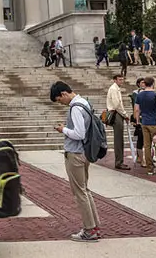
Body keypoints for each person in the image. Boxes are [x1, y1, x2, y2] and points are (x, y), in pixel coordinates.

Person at [50, 81, 102, 242]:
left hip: (75, 153)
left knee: (80, 192)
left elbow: (79, 133)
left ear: (64, 94)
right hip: (84, 151)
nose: (61, 103)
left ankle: (89, 230)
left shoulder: (75, 107)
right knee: (85, 190)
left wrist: (63, 130)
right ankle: (94, 226)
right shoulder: (84, 102)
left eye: (59, 100)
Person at [135, 76, 156, 175]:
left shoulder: (140, 95)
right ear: (153, 83)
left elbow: (137, 109)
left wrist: (137, 120)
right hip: (154, 122)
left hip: (144, 122)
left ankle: (149, 168)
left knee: (147, 146)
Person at [107, 74, 130, 170]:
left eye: (122, 79)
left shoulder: (116, 88)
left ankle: (120, 161)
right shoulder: (113, 89)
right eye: (120, 79)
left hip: (117, 113)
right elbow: (117, 104)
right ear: (115, 80)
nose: (122, 81)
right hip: (116, 114)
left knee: (119, 138)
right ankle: (118, 162)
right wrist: (125, 114)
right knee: (118, 139)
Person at [129, 78, 146, 166]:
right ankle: (141, 158)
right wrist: (136, 119)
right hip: (140, 118)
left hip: (147, 118)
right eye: (142, 82)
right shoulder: (136, 93)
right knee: (140, 138)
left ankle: (144, 157)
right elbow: (136, 106)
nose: (144, 84)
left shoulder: (148, 92)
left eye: (145, 82)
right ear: (138, 84)